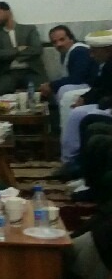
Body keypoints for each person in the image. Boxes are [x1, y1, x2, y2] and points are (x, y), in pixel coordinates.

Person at [54, 31, 112, 182]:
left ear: (107, 50)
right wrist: (85, 98)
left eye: (94, 51)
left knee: (82, 116)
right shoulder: (107, 65)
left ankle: (76, 163)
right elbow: (100, 87)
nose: (91, 55)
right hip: (106, 105)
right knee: (79, 113)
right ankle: (72, 160)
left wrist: (102, 101)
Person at [39, 25, 98, 131]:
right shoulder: (67, 52)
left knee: (64, 90)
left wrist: (51, 85)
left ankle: (67, 128)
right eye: (54, 42)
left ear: (71, 38)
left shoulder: (79, 51)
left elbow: (77, 78)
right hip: (85, 84)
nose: (59, 44)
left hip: (94, 87)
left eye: (62, 39)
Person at [0, 1, 46, 95]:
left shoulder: (29, 29)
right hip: (8, 72)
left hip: (30, 70)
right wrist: (18, 49)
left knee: (42, 91)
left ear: (8, 12)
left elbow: (37, 49)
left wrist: (16, 57)